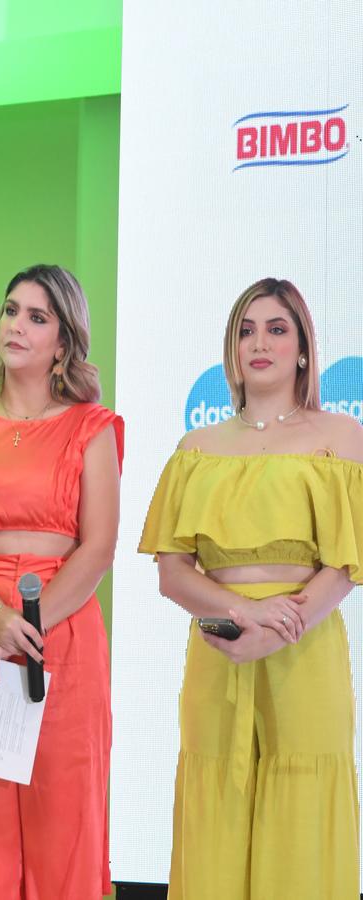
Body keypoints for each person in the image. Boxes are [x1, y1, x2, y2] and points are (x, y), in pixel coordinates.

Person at [139, 277, 362, 899]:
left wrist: (280, 626)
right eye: (245, 329)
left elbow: (345, 564)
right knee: (216, 813)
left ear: (302, 349)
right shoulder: (196, 448)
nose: (258, 342)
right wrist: (241, 614)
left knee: (303, 820)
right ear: (231, 349)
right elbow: (172, 571)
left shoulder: (340, 435)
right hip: (217, 645)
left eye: (276, 328)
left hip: (307, 648)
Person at [0, 264, 122, 899]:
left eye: (37, 317)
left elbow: (97, 550)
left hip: (60, 632)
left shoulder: (92, 427)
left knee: (63, 834)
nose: (16, 325)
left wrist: (23, 627)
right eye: (11, 310)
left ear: (63, 342)